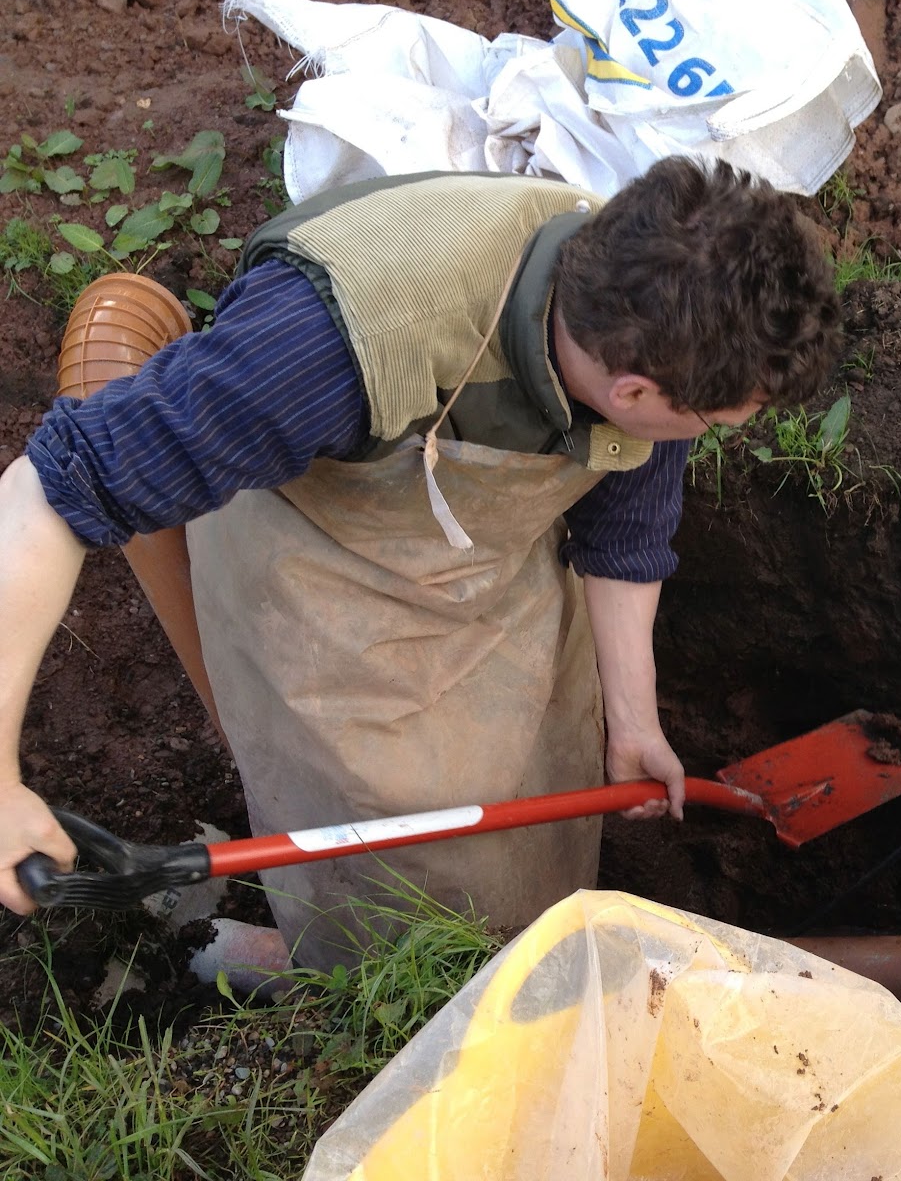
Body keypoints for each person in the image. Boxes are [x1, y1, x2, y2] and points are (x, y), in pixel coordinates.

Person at [0, 156, 842, 972]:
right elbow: (46, 493)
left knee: (530, 790)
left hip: (484, 558)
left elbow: (626, 524)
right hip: (319, 561)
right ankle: (341, 979)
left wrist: (634, 721)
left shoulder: (647, 319)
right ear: (632, 393)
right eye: (713, 422)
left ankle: (513, 959)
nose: (707, 435)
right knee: (393, 832)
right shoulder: (331, 347)